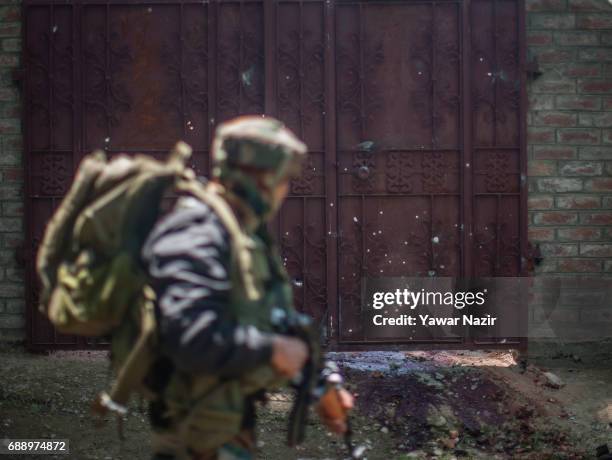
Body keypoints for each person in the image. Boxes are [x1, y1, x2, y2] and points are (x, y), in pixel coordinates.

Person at [141, 115, 353, 460]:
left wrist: (323, 384)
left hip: (227, 426)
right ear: (260, 180)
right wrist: (272, 351)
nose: (286, 191)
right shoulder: (197, 231)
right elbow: (188, 335)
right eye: (283, 179)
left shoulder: (243, 235)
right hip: (192, 435)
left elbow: (278, 323)